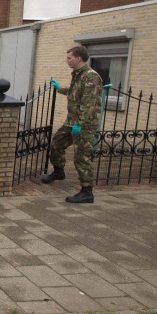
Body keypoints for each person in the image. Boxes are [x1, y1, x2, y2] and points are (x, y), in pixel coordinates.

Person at [42, 45, 103, 204]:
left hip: (84, 125)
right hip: (71, 122)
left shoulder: (91, 76)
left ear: (79, 58)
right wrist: (59, 89)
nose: (67, 60)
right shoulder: (78, 75)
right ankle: (58, 171)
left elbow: (88, 103)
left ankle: (87, 191)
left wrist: (80, 124)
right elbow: (75, 92)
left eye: (69, 58)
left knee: (81, 157)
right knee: (56, 143)